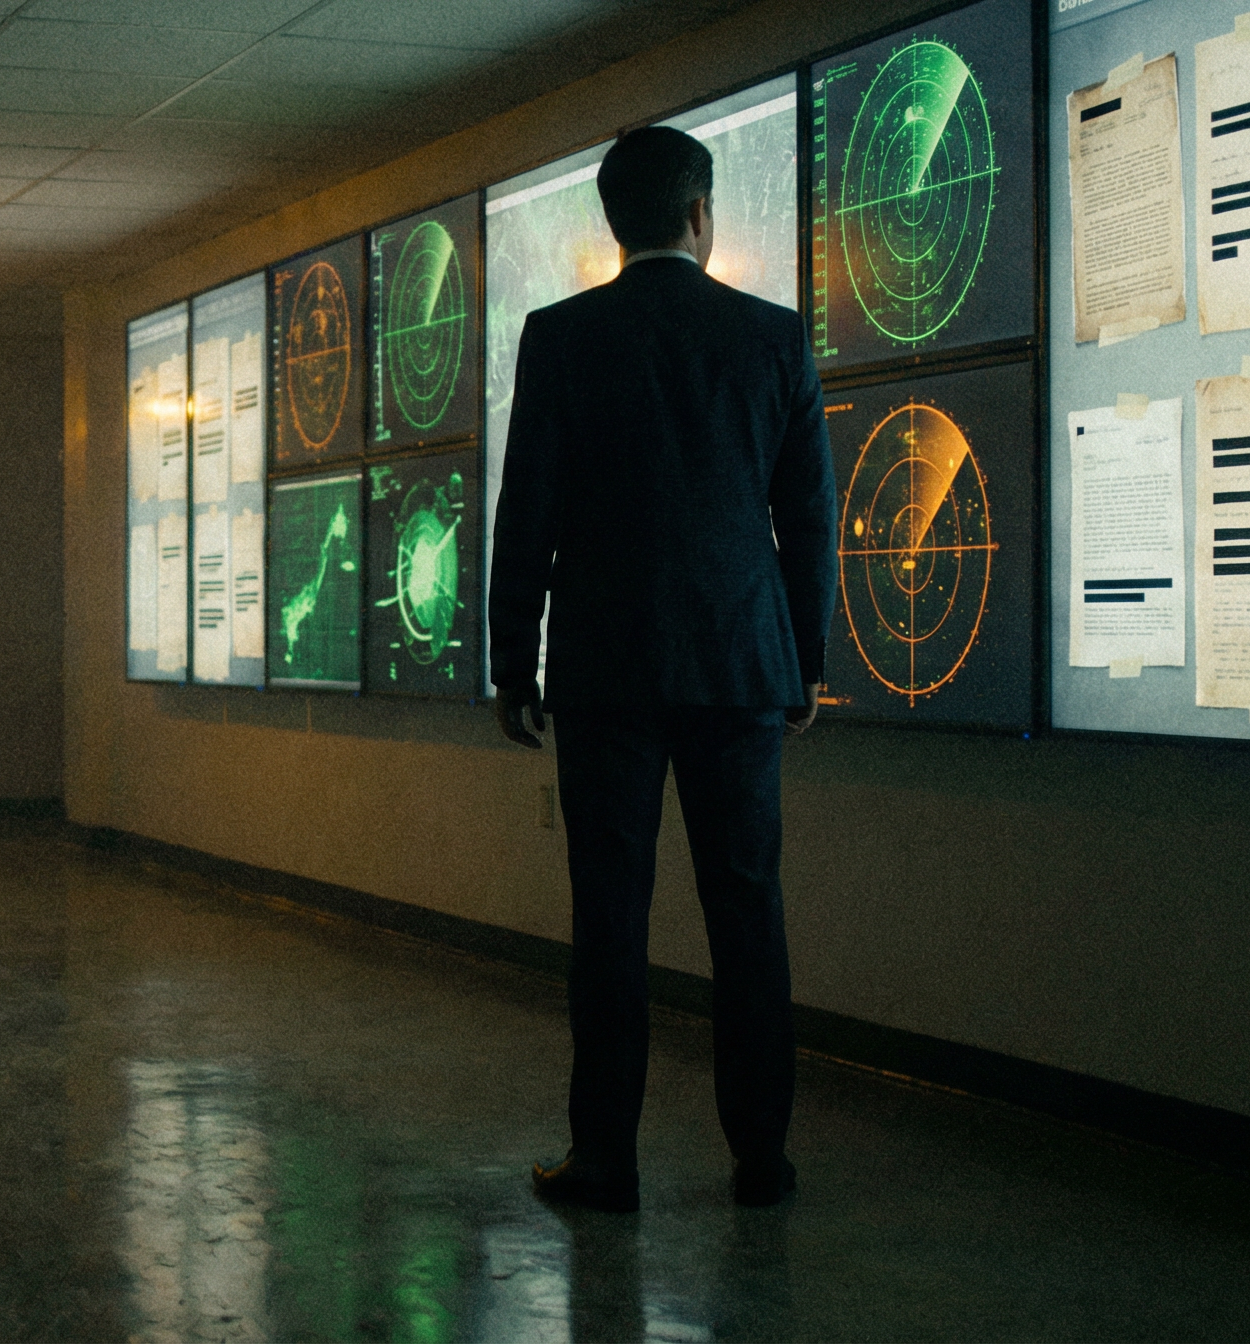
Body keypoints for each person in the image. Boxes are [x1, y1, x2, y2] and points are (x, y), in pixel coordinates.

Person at [486, 124, 837, 1213]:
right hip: (740, 666)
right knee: (747, 912)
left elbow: (527, 516)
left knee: (611, 920)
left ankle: (605, 1160)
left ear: (613, 222)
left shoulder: (561, 337)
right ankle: (761, 1158)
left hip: (607, 669)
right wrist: (805, 666)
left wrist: (514, 664)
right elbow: (807, 521)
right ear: (703, 214)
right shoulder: (774, 340)